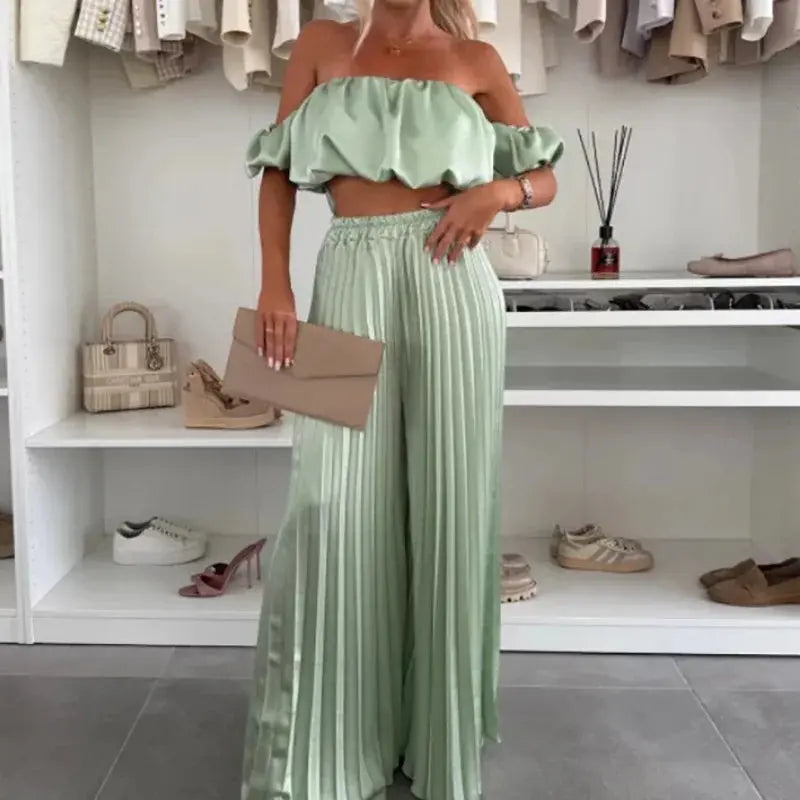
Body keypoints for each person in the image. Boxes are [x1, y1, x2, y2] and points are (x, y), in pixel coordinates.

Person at [241, 2, 562, 798]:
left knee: (449, 504)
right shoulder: (319, 44)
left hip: (453, 281)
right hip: (346, 275)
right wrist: (275, 281)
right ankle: (326, 748)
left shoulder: (477, 59)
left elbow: (545, 177)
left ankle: (435, 740)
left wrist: (498, 194)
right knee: (330, 505)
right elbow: (278, 171)